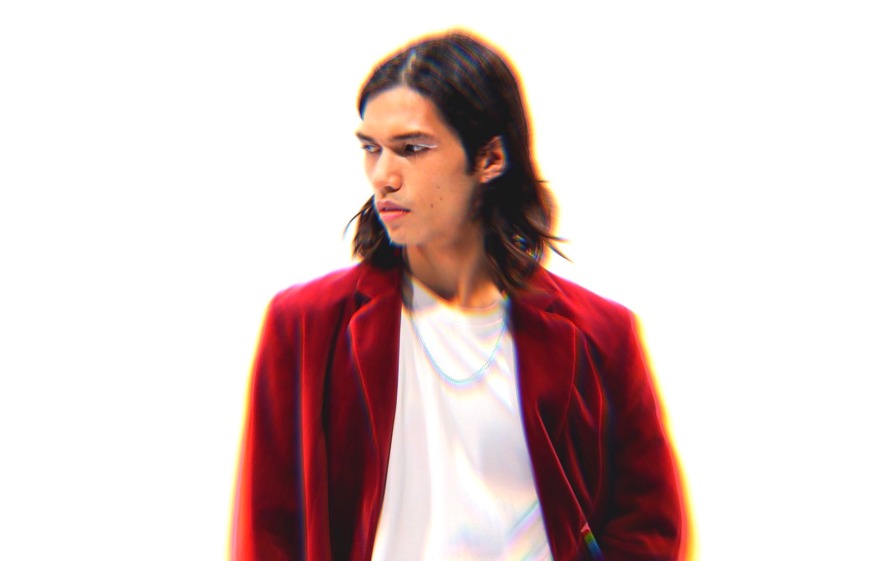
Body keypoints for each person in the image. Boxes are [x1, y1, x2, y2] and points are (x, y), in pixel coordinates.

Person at [233, 30, 687, 561]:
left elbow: (649, 525)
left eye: (412, 149)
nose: (383, 177)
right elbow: (269, 528)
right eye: (371, 149)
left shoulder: (600, 334)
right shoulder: (307, 325)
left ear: (490, 158)